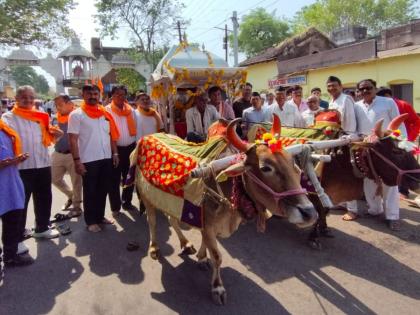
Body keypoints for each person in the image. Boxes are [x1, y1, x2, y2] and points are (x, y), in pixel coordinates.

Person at [2, 86, 63, 248]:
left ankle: (42, 228)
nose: (28, 100)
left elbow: (45, 139)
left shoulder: (40, 116)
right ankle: (17, 238)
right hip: (21, 167)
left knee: (44, 197)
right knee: (20, 204)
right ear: (16, 98)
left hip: (43, 163)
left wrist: (55, 136)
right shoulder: (8, 118)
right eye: (24, 97)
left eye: (31, 97)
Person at [354, 79, 407, 231]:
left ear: (375, 89)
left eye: (368, 88)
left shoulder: (388, 103)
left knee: (390, 182)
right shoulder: (356, 106)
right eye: (361, 89)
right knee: (369, 179)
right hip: (366, 147)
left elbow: (399, 125)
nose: (365, 91)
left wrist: (401, 144)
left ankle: (392, 216)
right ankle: (374, 210)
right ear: (358, 92)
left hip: (386, 147)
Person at [68, 84, 120, 233]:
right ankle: (90, 221)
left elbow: (111, 136)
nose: (93, 97)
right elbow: (72, 139)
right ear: (83, 95)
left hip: (106, 158)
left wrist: (115, 153)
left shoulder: (105, 114)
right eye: (89, 94)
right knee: (90, 191)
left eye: (95, 94)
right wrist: (77, 161)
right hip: (88, 159)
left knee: (103, 189)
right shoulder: (77, 114)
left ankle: (100, 216)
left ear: (100, 95)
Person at [0, 119, 34, 267]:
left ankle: (10, 256)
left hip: (10, 183)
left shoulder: (4, 129)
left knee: (12, 220)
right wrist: (7, 163)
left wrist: (16, 159)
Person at [326, 76, 358, 220]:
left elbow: (350, 123)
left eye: (334, 85)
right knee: (337, 172)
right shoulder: (331, 100)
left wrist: (347, 139)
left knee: (347, 173)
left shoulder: (346, 99)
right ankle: (343, 202)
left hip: (345, 140)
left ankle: (353, 210)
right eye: (329, 86)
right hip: (334, 140)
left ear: (341, 86)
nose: (331, 88)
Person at [106, 85, 139, 215]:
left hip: (130, 148)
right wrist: (114, 152)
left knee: (129, 177)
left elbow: (136, 129)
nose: (121, 97)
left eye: (123, 94)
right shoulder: (107, 111)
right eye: (117, 94)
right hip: (114, 150)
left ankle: (127, 202)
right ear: (112, 96)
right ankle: (115, 207)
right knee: (114, 179)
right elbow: (107, 133)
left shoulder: (131, 111)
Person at [51, 95, 82, 217]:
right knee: (54, 178)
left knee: (76, 181)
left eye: (60, 105)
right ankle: (71, 195)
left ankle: (77, 206)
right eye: (56, 105)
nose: (58, 108)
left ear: (69, 104)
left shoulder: (77, 116)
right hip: (58, 153)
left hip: (73, 154)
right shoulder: (55, 118)